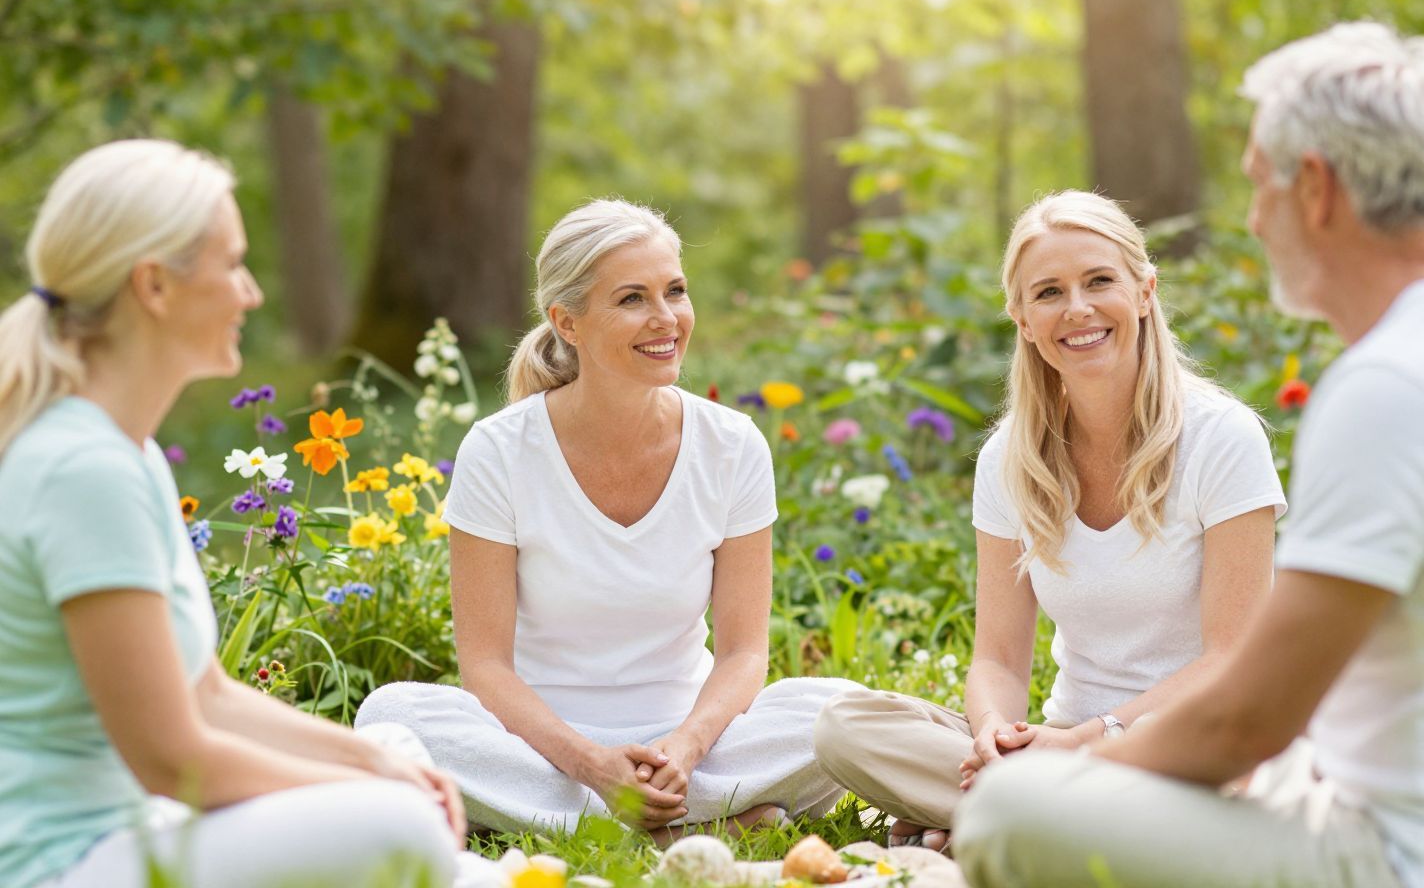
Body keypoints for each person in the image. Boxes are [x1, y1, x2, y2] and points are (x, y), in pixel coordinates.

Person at [953, 23, 1424, 888]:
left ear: (1317, 189)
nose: (1256, 218)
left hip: (1413, 856)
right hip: (1388, 801)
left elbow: (1246, 719)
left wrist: (1066, 771)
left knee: (1008, 814)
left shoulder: (1391, 388)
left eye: (1262, 185)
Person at [0, 140, 498, 888]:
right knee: (398, 827)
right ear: (155, 287)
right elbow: (170, 759)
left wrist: (372, 760)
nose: (252, 292)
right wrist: (370, 793)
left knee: (397, 749)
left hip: (140, 830)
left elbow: (207, 694)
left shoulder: (123, 453)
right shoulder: (84, 470)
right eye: (233, 264)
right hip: (65, 864)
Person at [356, 199, 858, 840]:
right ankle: (691, 826)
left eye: (674, 291)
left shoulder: (732, 445)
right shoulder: (499, 450)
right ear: (568, 321)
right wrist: (592, 765)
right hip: (544, 748)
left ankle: (583, 821)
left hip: (694, 744)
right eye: (631, 299)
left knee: (840, 714)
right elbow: (485, 667)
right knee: (392, 713)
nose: (666, 319)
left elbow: (743, 651)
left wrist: (684, 750)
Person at [814, 190, 1285, 853]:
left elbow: (1231, 660)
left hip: (1188, 749)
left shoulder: (1221, 439)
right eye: (1049, 292)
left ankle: (1000, 826)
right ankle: (1019, 815)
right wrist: (994, 742)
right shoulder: (1009, 458)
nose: (1078, 309)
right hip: (1057, 747)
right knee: (844, 725)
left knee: (1233, 791)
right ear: (1023, 318)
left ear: (1144, 292)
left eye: (1099, 281)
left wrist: (1086, 743)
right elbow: (999, 659)